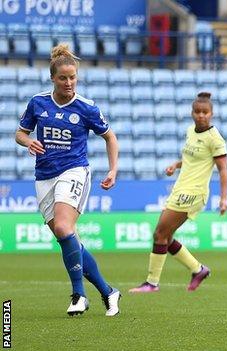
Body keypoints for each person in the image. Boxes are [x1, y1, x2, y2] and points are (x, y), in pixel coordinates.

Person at [15, 44, 121, 316]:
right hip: (44, 177)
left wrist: (112, 169)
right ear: (53, 78)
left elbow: (110, 137)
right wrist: (29, 141)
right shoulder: (38, 102)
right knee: (67, 239)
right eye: (63, 78)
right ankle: (108, 292)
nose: (69, 82)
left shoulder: (86, 107)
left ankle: (78, 295)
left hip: (74, 171)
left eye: (73, 77)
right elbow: (20, 133)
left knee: (63, 228)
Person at [129, 92, 227, 293]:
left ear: (212, 114)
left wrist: (224, 198)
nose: (201, 115)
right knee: (166, 236)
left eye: (205, 112)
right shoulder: (191, 131)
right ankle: (198, 269)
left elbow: (223, 169)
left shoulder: (215, 139)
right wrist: (176, 165)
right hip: (180, 187)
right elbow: (193, 158)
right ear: (192, 113)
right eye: (197, 111)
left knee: (159, 233)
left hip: (194, 192)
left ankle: (152, 283)